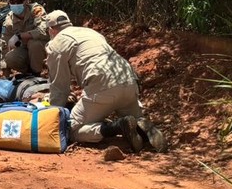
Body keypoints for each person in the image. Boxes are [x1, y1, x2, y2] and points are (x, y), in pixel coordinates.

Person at [44, 10, 166, 152]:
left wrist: (53, 118)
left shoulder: (57, 44)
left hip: (102, 87)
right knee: (129, 114)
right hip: (129, 81)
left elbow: (59, 87)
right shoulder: (90, 32)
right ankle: (139, 123)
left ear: (51, 29)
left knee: (71, 129)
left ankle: (117, 127)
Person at [0, 0, 49, 76]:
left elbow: (43, 31)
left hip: (42, 48)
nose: (15, 4)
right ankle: (28, 73)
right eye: (12, 1)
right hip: (24, 50)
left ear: (26, 0)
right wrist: (5, 73)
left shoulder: (36, 10)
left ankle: (36, 73)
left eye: (19, 1)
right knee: (10, 57)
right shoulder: (9, 20)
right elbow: (4, 44)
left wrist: (19, 36)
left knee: (34, 44)